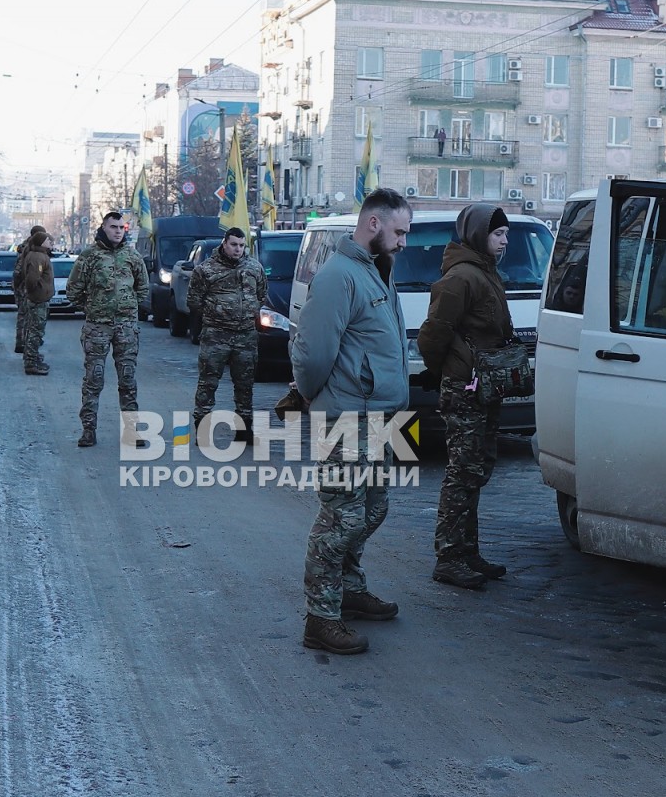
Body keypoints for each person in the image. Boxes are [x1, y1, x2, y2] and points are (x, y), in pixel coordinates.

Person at [289, 188, 414, 656]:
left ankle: (349, 588)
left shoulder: (377, 271)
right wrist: (314, 396)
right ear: (374, 225)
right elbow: (313, 353)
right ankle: (321, 617)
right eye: (399, 231)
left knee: (373, 509)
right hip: (347, 418)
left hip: (378, 417)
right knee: (341, 518)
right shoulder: (339, 275)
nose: (404, 242)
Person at [416, 204, 518, 590]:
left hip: (486, 384)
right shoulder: (461, 278)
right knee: (462, 471)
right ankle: (448, 556)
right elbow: (433, 332)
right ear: (478, 235)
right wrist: (448, 369)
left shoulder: (486, 273)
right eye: (498, 235)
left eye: (506, 234)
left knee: (476, 468)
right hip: (466, 388)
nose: (505, 241)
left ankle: (466, 550)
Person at [65, 211, 148, 448]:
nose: (118, 231)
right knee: (94, 379)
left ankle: (131, 431)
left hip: (126, 327)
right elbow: (73, 290)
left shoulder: (132, 257)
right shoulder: (89, 257)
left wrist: (129, 309)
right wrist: (93, 308)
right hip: (97, 327)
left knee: (128, 380)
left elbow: (142, 289)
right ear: (103, 227)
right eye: (113, 227)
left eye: (121, 227)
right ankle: (88, 430)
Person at [188, 227, 267, 438]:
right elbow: (194, 301)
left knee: (245, 383)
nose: (238, 249)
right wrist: (216, 313)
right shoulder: (206, 270)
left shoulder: (254, 268)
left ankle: (244, 428)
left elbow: (261, 295)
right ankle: (202, 426)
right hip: (216, 335)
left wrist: (248, 312)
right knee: (208, 381)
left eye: (241, 245)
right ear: (224, 243)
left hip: (245, 335)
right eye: (234, 244)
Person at [14, 227, 56, 375]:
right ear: (40, 242)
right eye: (47, 240)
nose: (50, 242)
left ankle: (32, 357)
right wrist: (34, 292)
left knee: (35, 329)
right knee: (35, 331)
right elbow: (32, 279)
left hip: (38, 297)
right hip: (37, 298)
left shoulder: (39, 254)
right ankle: (31, 363)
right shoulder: (37, 256)